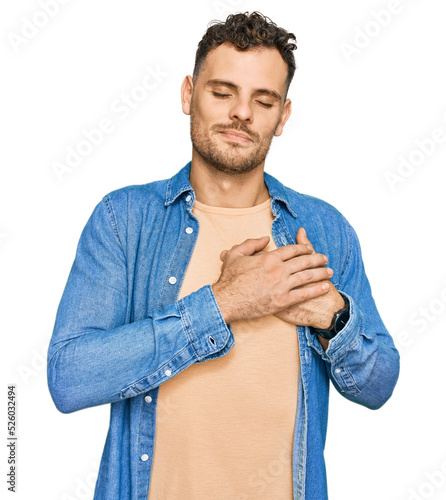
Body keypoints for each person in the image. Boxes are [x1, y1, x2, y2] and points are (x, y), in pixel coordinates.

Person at [47, 11, 400, 500]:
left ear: (283, 116)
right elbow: (70, 377)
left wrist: (334, 318)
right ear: (189, 94)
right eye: (222, 92)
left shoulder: (323, 230)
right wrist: (223, 303)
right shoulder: (124, 219)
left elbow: (380, 383)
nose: (242, 113)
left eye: (263, 100)